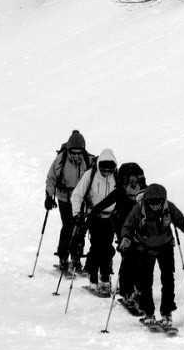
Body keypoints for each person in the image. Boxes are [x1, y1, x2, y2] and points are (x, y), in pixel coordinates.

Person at [118, 183, 184, 328]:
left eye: (158, 202)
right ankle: (149, 313)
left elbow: (181, 222)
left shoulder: (169, 207)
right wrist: (125, 238)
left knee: (168, 279)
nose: (155, 205)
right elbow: (128, 226)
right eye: (152, 202)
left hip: (165, 247)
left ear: (163, 200)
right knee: (145, 281)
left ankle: (166, 313)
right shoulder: (138, 209)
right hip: (144, 248)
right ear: (146, 200)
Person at [70, 150, 122, 296]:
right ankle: (93, 276)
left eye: (109, 170)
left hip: (110, 217)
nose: (106, 173)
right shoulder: (91, 174)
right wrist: (76, 214)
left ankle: (105, 277)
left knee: (107, 247)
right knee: (97, 246)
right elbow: (77, 195)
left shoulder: (116, 176)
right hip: (93, 216)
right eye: (104, 170)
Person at [42, 130, 94, 274]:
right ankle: (63, 257)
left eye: (79, 152)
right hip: (64, 198)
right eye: (74, 152)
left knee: (80, 228)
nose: (76, 155)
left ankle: (76, 257)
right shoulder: (60, 159)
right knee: (68, 226)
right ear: (69, 150)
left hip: (81, 199)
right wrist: (48, 196)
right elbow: (51, 179)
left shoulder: (88, 160)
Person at [111, 163, 147, 309]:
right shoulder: (119, 192)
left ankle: (137, 290)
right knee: (128, 256)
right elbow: (104, 207)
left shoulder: (144, 191)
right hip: (122, 226)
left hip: (138, 229)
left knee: (139, 258)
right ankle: (127, 291)